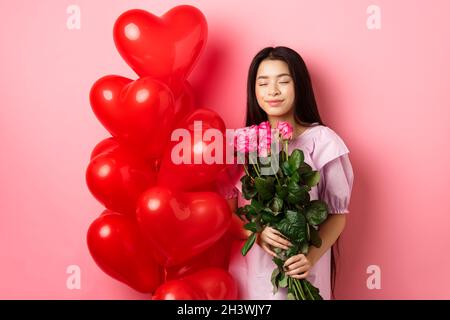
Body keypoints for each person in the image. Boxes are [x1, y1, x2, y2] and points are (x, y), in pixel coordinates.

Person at [219, 46, 354, 300]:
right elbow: (226, 215)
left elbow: (337, 215)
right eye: (263, 83)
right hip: (251, 274)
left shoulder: (322, 141)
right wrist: (256, 235)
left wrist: (310, 258)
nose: (273, 91)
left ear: (299, 85)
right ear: (254, 89)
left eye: (283, 81)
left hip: (304, 271)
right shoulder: (240, 145)